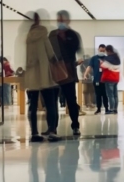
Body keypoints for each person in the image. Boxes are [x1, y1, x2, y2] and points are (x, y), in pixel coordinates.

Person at [25, 12, 61, 141]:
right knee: (50, 103)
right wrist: (57, 64)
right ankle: (52, 131)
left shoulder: (25, 36)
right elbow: (50, 53)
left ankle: (34, 133)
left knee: (32, 104)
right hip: (44, 73)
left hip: (31, 73)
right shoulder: (43, 34)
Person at [48, 10, 82, 136]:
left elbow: (76, 48)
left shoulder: (73, 35)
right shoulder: (52, 35)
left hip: (69, 72)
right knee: (52, 101)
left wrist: (65, 39)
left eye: (62, 20)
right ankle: (52, 127)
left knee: (71, 100)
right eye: (58, 20)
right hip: (54, 72)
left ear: (67, 20)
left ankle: (75, 125)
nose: (60, 22)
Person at [84, 44, 109, 114]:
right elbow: (89, 67)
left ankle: (107, 108)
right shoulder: (94, 58)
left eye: (103, 51)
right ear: (98, 49)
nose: (102, 51)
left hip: (105, 80)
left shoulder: (107, 58)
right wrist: (85, 74)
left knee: (105, 95)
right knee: (98, 95)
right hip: (97, 79)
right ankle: (98, 108)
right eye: (101, 50)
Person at [101, 45, 121, 114]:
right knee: (115, 94)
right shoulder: (117, 57)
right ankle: (115, 109)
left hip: (109, 78)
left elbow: (103, 66)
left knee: (110, 95)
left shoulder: (108, 58)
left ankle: (111, 109)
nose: (106, 53)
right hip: (116, 78)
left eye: (106, 51)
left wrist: (101, 62)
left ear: (108, 51)